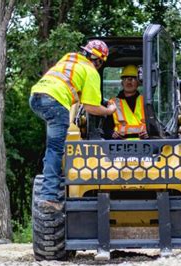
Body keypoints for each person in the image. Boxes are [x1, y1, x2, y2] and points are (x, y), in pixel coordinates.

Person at [29, 40, 116, 212]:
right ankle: (49, 197)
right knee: (55, 149)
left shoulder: (69, 59)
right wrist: (109, 110)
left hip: (36, 97)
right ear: (99, 61)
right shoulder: (91, 72)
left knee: (52, 146)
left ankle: (50, 189)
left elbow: (74, 87)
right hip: (56, 102)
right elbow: (91, 108)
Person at [104, 64, 148, 140]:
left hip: (144, 145)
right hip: (119, 146)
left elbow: (153, 126)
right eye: (126, 78)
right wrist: (112, 134)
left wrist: (149, 133)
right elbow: (106, 128)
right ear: (122, 83)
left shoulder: (145, 101)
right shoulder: (113, 103)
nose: (129, 81)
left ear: (138, 83)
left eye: (133, 78)